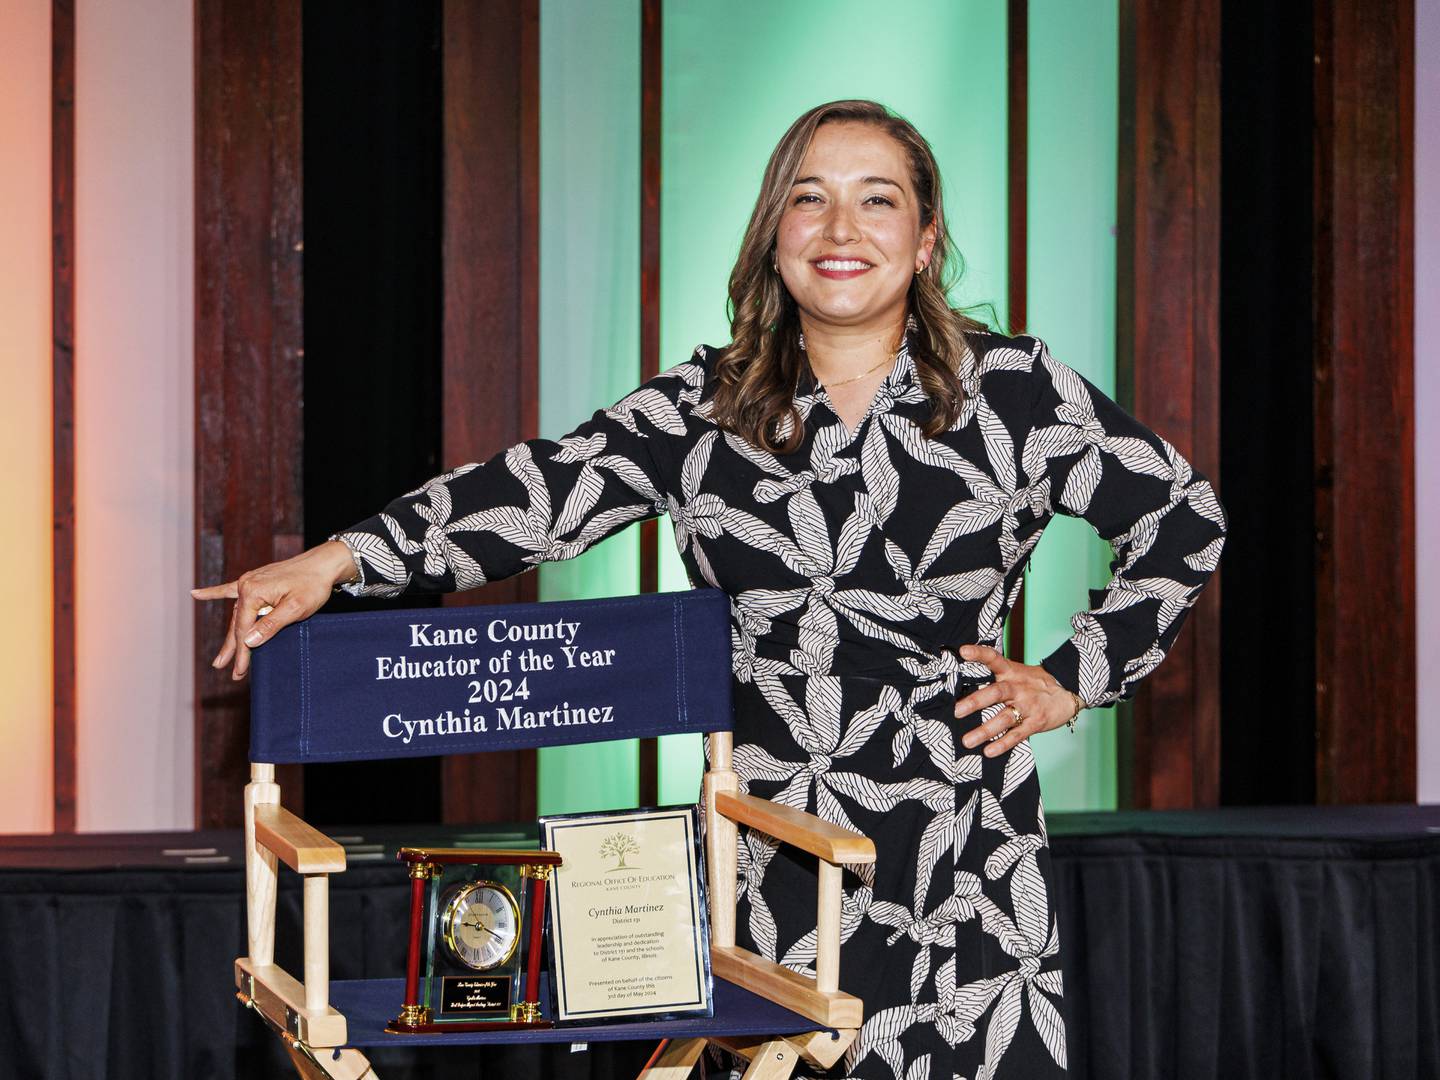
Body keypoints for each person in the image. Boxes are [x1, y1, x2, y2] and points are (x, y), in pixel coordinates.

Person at [195, 99, 1224, 1078]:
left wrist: (1071, 679)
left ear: (924, 240)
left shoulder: (1015, 392)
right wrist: (339, 558)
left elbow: (1184, 517)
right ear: (774, 232)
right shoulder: (702, 406)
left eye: (878, 198)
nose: (840, 225)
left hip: (964, 845)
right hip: (775, 837)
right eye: (808, 195)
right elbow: (543, 489)